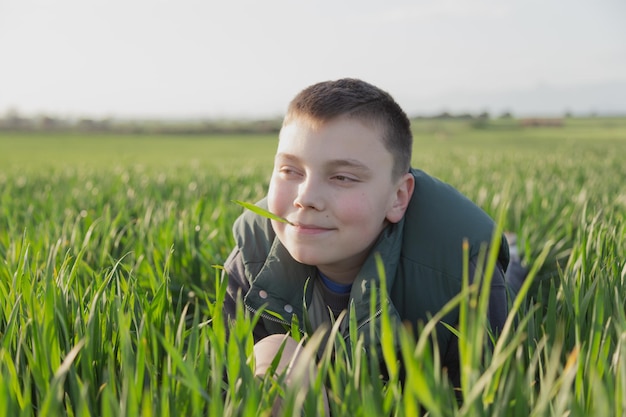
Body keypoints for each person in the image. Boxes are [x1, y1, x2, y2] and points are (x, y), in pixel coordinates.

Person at [223, 78, 522, 408]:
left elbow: (486, 397)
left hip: (453, 278)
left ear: (397, 197)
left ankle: (515, 251)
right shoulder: (253, 254)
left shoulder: (462, 271)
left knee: (512, 281)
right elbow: (224, 380)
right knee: (273, 351)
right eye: (290, 170)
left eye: (342, 177)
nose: (305, 198)